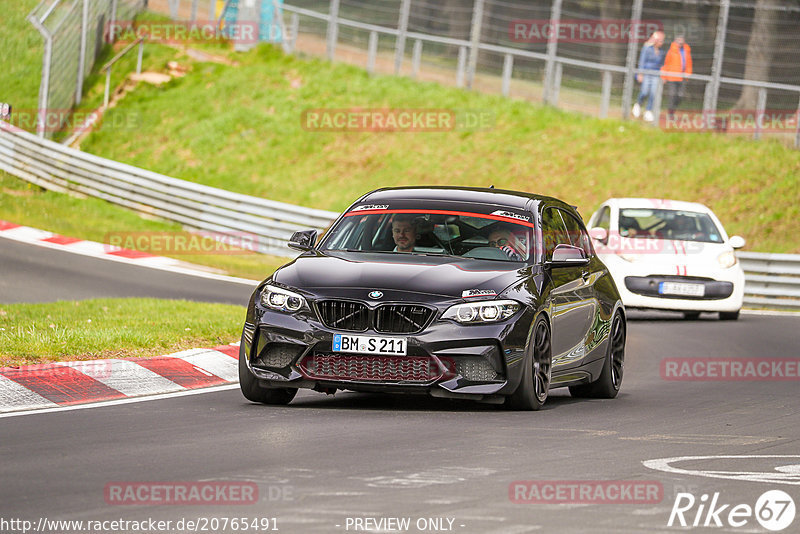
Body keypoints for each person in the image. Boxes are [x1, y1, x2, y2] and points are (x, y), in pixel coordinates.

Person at [632, 30, 666, 123]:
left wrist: (663, 76)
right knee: (644, 91)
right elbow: (642, 61)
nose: (661, 42)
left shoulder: (661, 52)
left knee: (653, 93)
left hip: (656, 75)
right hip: (646, 73)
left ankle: (648, 110)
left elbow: (662, 65)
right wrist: (640, 73)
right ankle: (638, 104)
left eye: (662, 40)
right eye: (660, 40)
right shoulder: (647, 48)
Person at [661, 34, 692, 121]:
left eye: (681, 40)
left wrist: (688, 74)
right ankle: (670, 114)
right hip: (672, 77)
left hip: (682, 78)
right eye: (678, 40)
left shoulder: (686, 50)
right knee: (672, 95)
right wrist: (664, 76)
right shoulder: (671, 51)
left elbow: (689, 63)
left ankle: (673, 109)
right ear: (675, 41)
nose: (680, 42)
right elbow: (666, 64)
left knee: (680, 96)